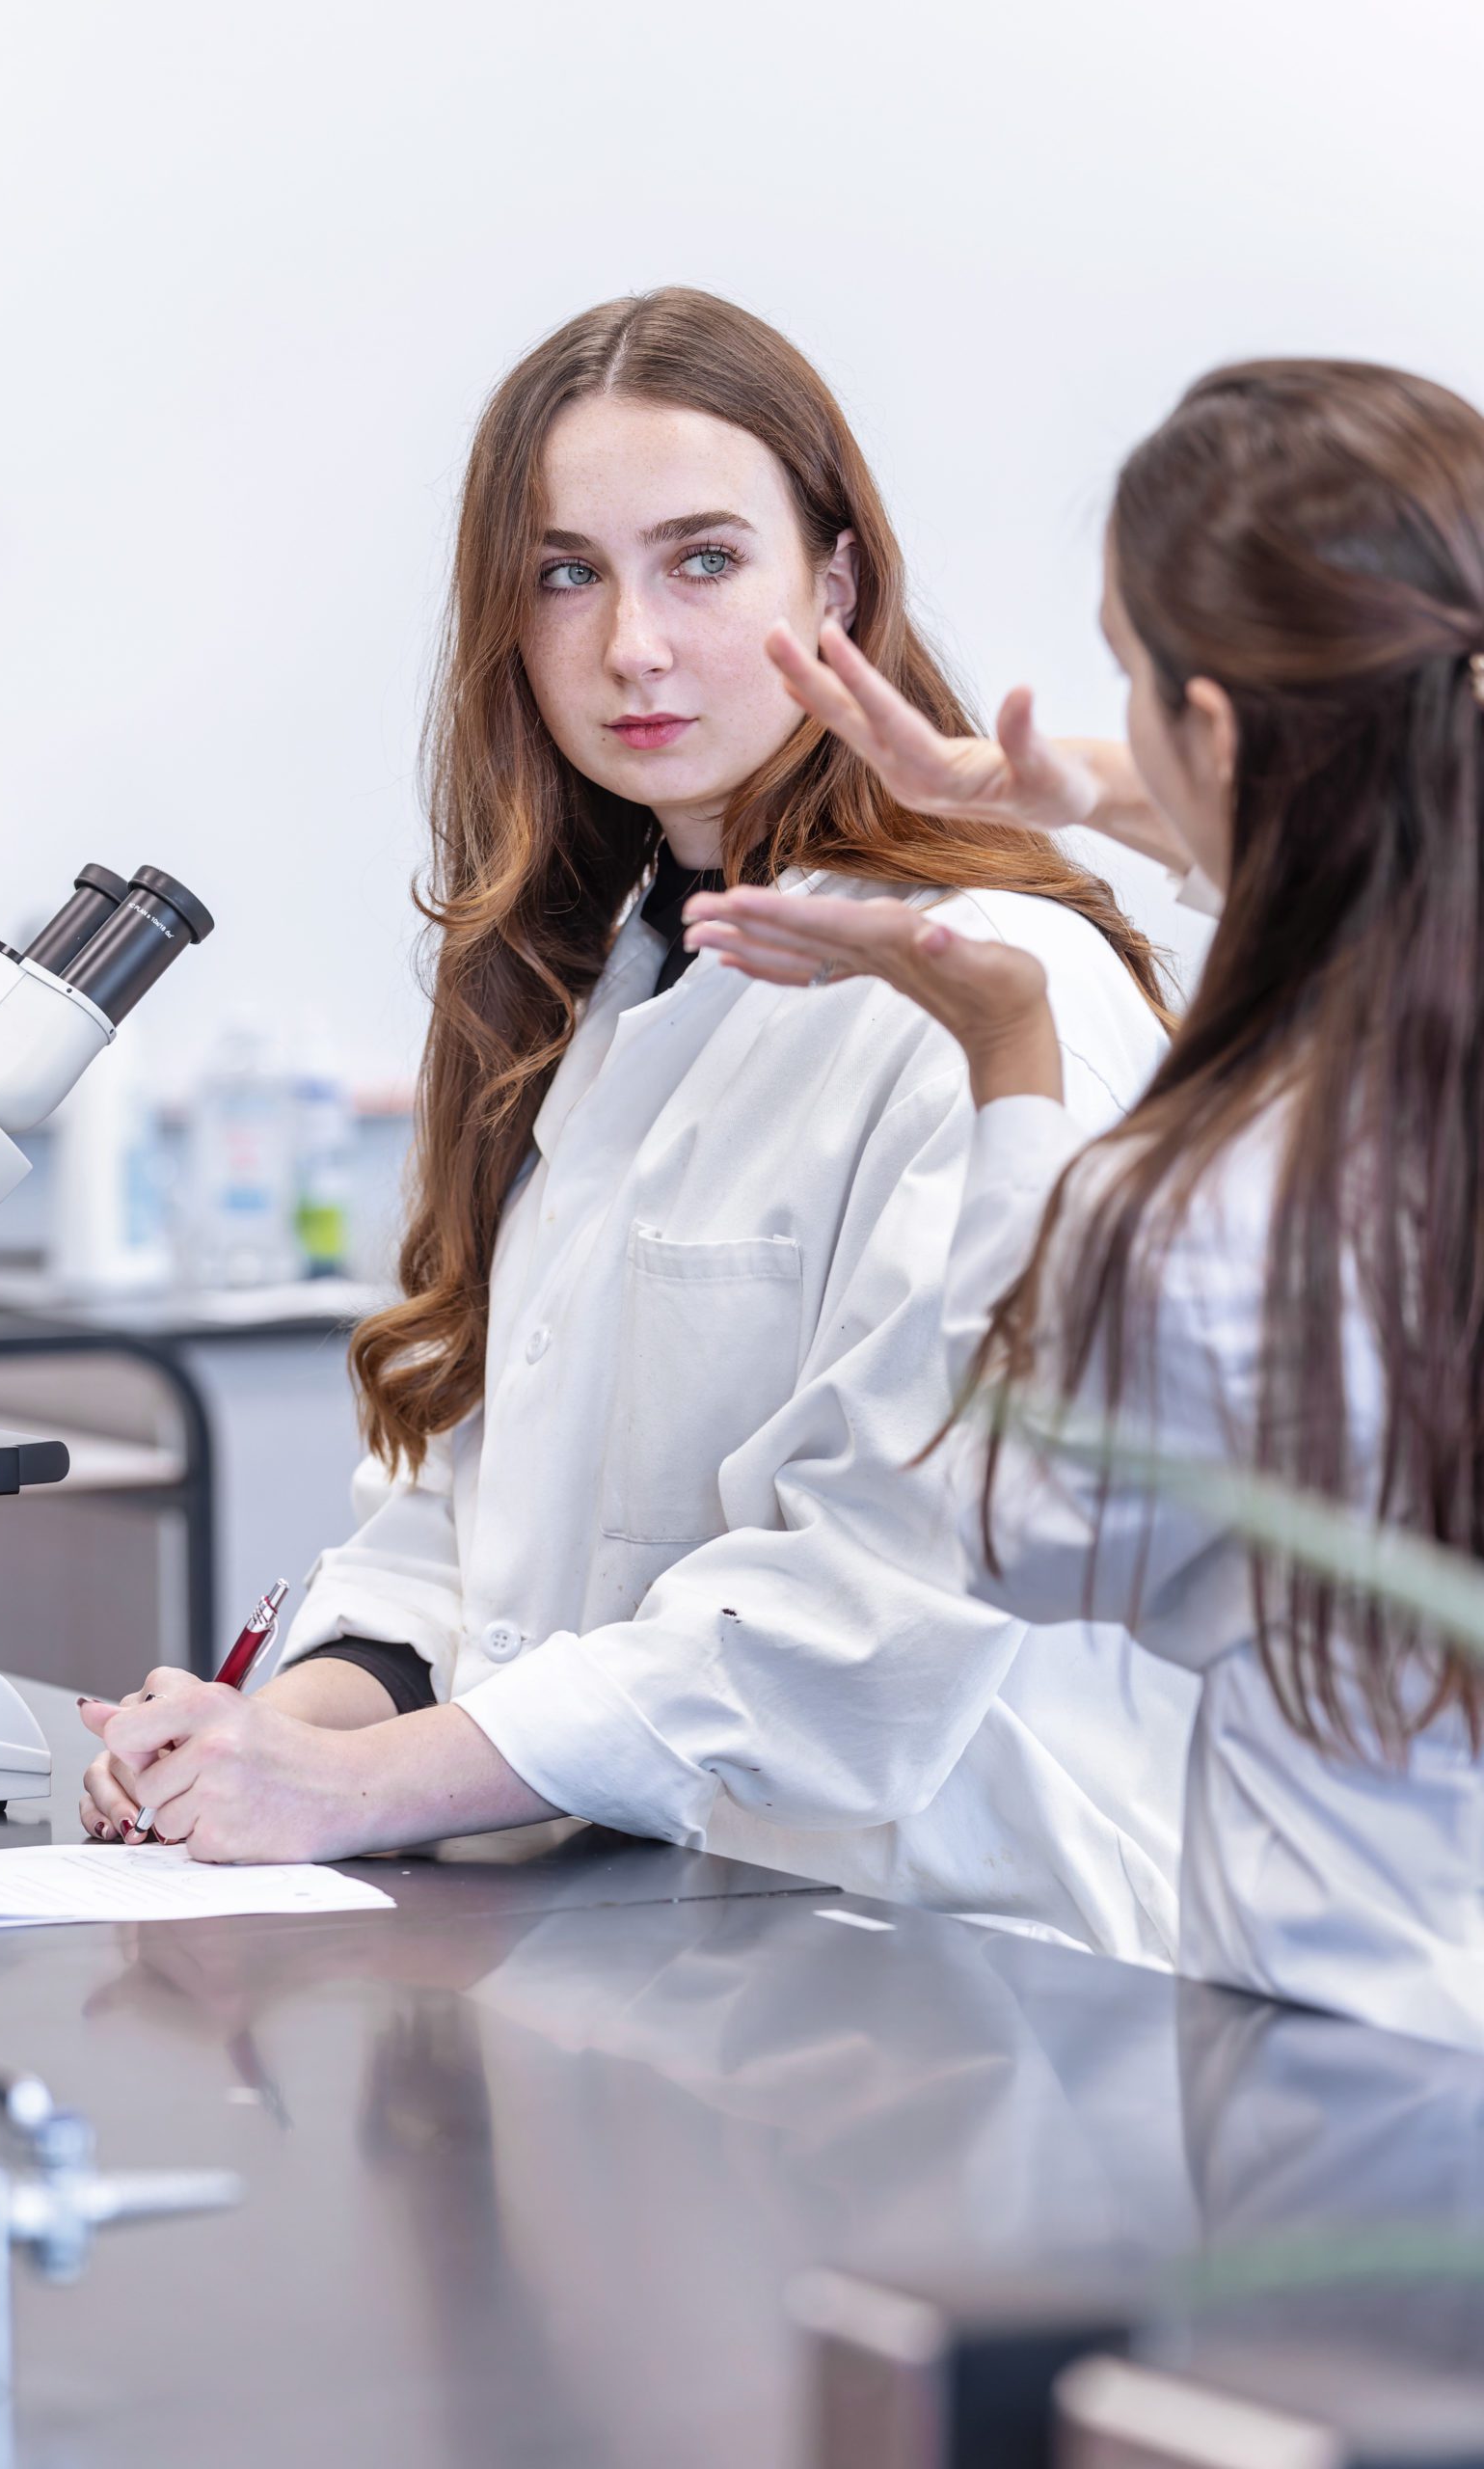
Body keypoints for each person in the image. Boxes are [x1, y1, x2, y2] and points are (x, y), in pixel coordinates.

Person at [80, 287, 1195, 1960]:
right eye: (566, 574)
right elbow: (463, 1521)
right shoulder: (587, 996)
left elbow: (872, 1613)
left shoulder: (996, 993)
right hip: (659, 1948)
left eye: (703, 560)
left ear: (836, 581)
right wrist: (275, 1736)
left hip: (972, 1974)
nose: (632, 646)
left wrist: (359, 1789)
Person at [686, 358, 1484, 2047]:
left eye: (1132, 676)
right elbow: (1376, 806)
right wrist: (1040, 793)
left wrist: (1011, 1058)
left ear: (1216, 729)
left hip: (1366, 2075)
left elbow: (1013, 1528)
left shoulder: (1231, 1184)